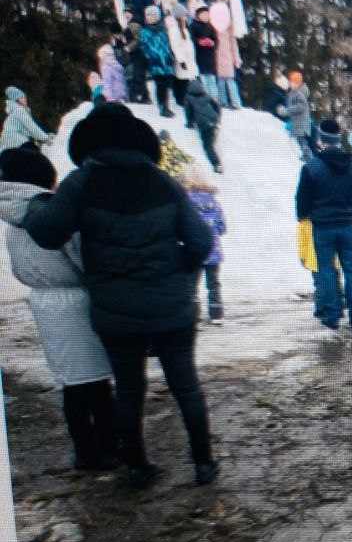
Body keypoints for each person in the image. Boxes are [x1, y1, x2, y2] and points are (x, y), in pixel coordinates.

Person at [22, 104, 217, 489]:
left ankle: (137, 466)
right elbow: (202, 242)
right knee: (186, 385)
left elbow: (47, 233)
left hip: (116, 310)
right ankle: (204, 463)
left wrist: (36, 205)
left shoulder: (82, 182)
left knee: (129, 389)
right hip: (172, 308)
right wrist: (180, 276)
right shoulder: (164, 183)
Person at [1, 147, 118, 471]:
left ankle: (84, 449)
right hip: (73, 301)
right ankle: (107, 448)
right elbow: (79, 255)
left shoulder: (14, 217)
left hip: (44, 301)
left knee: (72, 381)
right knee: (96, 383)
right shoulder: (50, 212)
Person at [295, 118, 352, 330]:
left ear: (321, 139)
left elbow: (302, 202)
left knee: (326, 270)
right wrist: (350, 211)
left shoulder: (312, 167)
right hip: (347, 226)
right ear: (339, 138)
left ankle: (332, 315)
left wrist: (307, 216)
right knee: (351, 270)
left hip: (323, 227)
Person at [183, 167, 227, 325]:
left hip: (194, 250)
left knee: (191, 285)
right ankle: (217, 315)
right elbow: (222, 227)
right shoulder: (213, 201)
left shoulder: (186, 200)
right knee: (214, 284)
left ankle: (193, 315)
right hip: (213, 250)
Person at [139, 5, 178, 117]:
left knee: (166, 84)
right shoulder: (145, 31)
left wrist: (170, 56)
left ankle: (167, 105)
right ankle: (162, 106)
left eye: (152, 15)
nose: (149, 17)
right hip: (155, 61)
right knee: (160, 84)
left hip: (166, 61)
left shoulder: (163, 29)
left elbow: (168, 44)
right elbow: (144, 46)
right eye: (148, 15)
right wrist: (150, 56)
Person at [182, 79, 222, 173]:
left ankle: (216, 164)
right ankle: (214, 135)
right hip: (213, 119)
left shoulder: (188, 97)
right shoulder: (206, 95)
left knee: (207, 146)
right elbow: (217, 106)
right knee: (211, 139)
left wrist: (189, 123)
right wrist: (217, 117)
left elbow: (188, 111)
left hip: (203, 123)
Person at [210, 0, 243, 109]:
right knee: (223, 81)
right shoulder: (213, 25)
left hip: (226, 56)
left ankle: (234, 102)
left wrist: (236, 59)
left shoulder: (229, 26)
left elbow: (233, 44)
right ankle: (225, 102)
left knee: (227, 80)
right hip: (219, 56)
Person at [1, 87, 52, 152]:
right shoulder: (19, 110)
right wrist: (46, 138)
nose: (25, 99)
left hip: (8, 143)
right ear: (16, 99)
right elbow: (31, 127)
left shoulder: (14, 112)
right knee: (33, 156)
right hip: (16, 141)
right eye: (22, 97)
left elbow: (28, 131)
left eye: (24, 97)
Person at [188, 4, 219, 100]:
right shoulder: (194, 26)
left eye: (207, 14)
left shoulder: (210, 27)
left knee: (212, 81)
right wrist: (199, 42)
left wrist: (212, 43)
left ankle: (214, 100)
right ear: (198, 15)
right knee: (203, 81)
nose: (206, 16)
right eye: (203, 14)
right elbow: (191, 39)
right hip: (200, 57)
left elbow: (216, 40)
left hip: (210, 58)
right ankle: (205, 100)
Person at [286, 71, 312, 160]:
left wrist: (287, 111)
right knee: (300, 140)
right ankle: (306, 155)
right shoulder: (295, 92)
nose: (290, 84)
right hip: (298, 122)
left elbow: (302, 106)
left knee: (301, 140)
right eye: (290, 82)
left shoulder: (299, 93)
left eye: (292, 82)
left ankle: (307, 155)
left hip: (300, 123)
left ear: (297, 83)